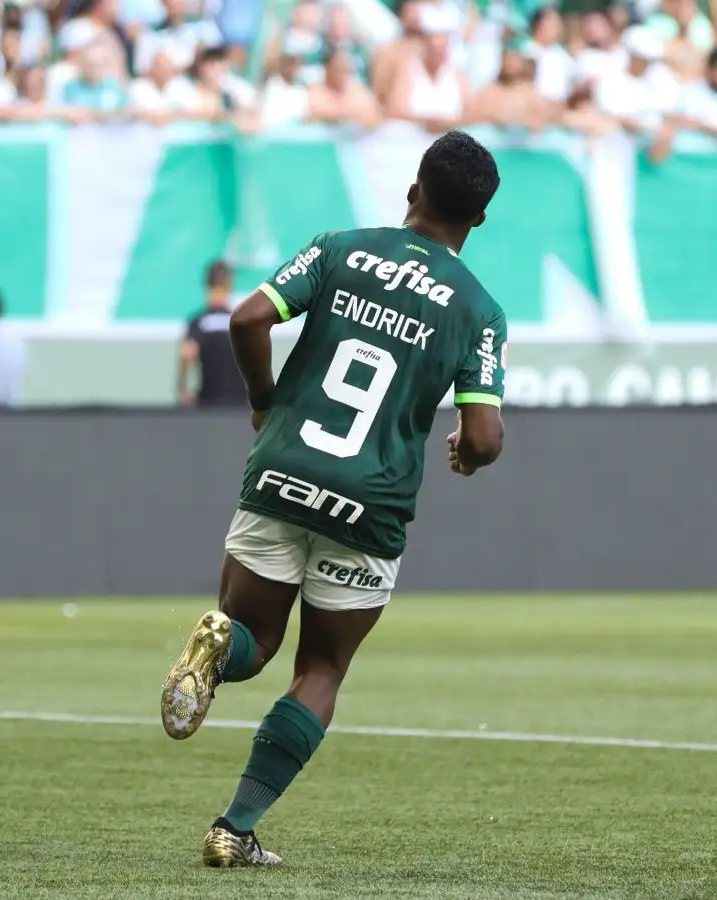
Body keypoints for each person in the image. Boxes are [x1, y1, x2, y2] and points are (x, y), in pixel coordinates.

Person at [158, 131, 507, 867]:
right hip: (370, 505)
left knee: (251, 643)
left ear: (414, 188)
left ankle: (219, 648)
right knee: (319, 671)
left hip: (283, 471)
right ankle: (234, 828)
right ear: (478, 221)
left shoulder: (340, 248)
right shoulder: (478, 309)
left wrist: (264, 400)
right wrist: (466, 457)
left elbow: (248, 318)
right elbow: (484, 435)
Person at [177, 260, 243, 407]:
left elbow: (187, 354)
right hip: (239, 404)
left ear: (206, 283)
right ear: (230, 283)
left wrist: (182, 391)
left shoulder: (198, 322)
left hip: (208, 403)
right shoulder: (239, 321)